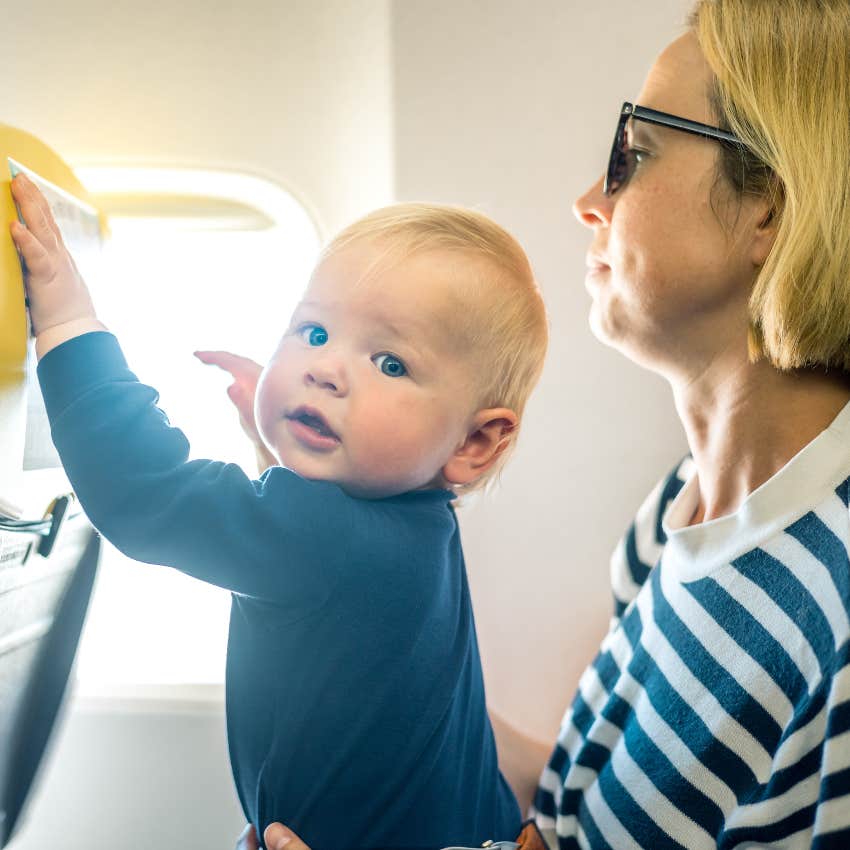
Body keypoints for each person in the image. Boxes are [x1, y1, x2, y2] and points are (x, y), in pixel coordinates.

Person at [240, 1, 850, 848]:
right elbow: (576, 803)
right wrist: (372, 667)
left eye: (630, 152)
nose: (588, 200)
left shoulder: (837, 608)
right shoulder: (678, 509)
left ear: (769, 211)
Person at [8, 186, 549, 849]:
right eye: (314, 332)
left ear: (472, 443)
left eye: (390, 362)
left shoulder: (330, 539)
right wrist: (272, 449)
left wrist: (66, 320)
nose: (325, 369)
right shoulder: (419, 520)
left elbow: (145, 493)